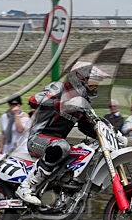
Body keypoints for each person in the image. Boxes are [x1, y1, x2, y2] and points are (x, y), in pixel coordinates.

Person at [16, 62, 114, 205]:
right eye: (92, 84)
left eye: (96, 84)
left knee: (84, 150)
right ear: (80, 79)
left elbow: (85, 126)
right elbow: (33, 99)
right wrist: (59, 102)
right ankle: (26, 187)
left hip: (55, 143)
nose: (95, 88)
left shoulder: (83, 102)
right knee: (62, 147)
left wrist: (106, 134)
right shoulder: (59, 88)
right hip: (38, 138)